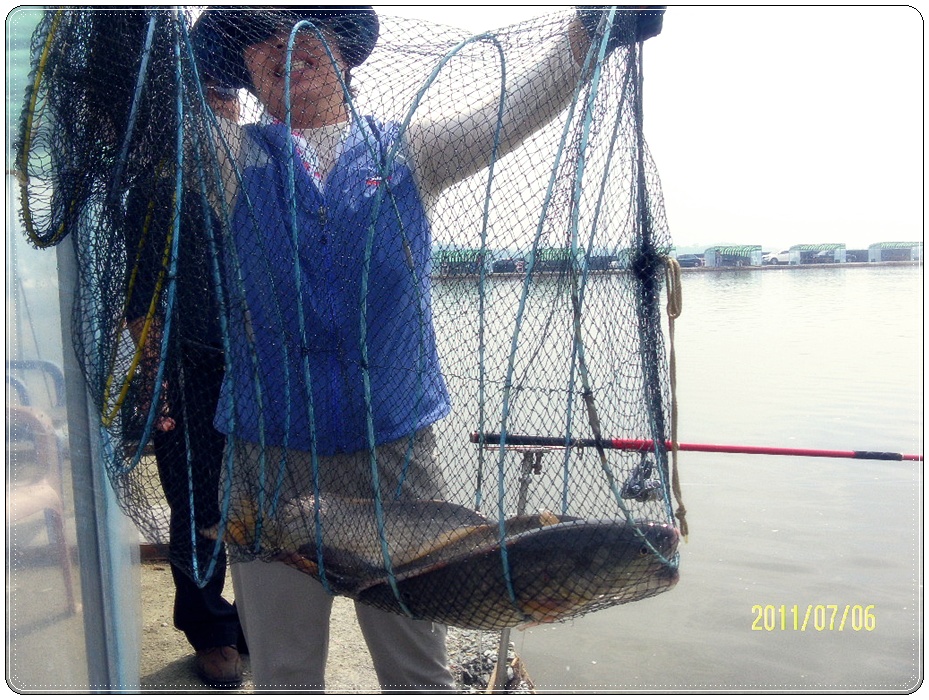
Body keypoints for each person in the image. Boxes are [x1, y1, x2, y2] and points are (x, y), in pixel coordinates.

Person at [190, 5, 664, 691]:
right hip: (266, 462)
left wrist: (589, 35)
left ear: (345, 52)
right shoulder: (229, 158)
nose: (284, 46)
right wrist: (187, 65)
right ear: (242, 72)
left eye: (304, 26)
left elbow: (513, 111)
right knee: (285, 673)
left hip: (396, 458)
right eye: (258, 38)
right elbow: (155, 111)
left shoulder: (412, 150)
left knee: (417, 671)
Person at [124, 79, 247, 688]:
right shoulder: (156, 188)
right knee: (197, 504)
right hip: (187, 371)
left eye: (231, 96)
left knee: (260, 497)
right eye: (212, 94)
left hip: (254, 367)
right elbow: (140, 301)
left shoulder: (254, 174)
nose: (225, 107)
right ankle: (210, 630)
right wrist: (158, 381)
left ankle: (252, 618)